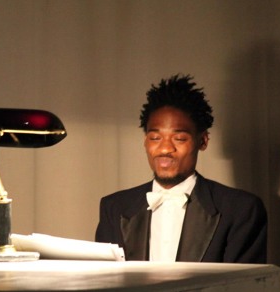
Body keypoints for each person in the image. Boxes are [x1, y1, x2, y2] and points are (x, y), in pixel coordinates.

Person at [95, 74, 267, 263]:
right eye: (155, 138)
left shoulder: (241, 209)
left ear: (202, 141)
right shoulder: (114, 208)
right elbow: (106, 279)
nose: (165, 149)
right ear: (145, 141)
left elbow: (243, 282)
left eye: (179, 138)